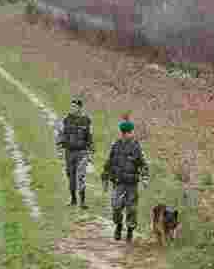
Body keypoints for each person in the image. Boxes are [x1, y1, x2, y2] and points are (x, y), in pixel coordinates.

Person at [101, 114, 150, 242]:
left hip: (132, 184)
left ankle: (129, 230)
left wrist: (145, 179)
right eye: (124, 132)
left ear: (132, 133)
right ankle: (118, 225)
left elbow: (143, 164)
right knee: (116, 206)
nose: (126, 135)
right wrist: (105, 178)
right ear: (121, 133)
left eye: (128, 132)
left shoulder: (136, 147)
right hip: (118, 183)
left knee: (131, 209)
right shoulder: (115, 146)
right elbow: (109, 163)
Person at [55, 96, 94, 208]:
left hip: (82, 152)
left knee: (80, 176)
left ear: (80, 108)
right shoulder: (66, 120)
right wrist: (59, 148)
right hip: (69, 152)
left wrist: (90, 152)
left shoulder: (86, 121)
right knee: (70, 176)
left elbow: (90, 137)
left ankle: (82, 202)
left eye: (75, 107)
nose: (72, 108)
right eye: (72, 106)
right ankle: (73, 199)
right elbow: (60, 134)